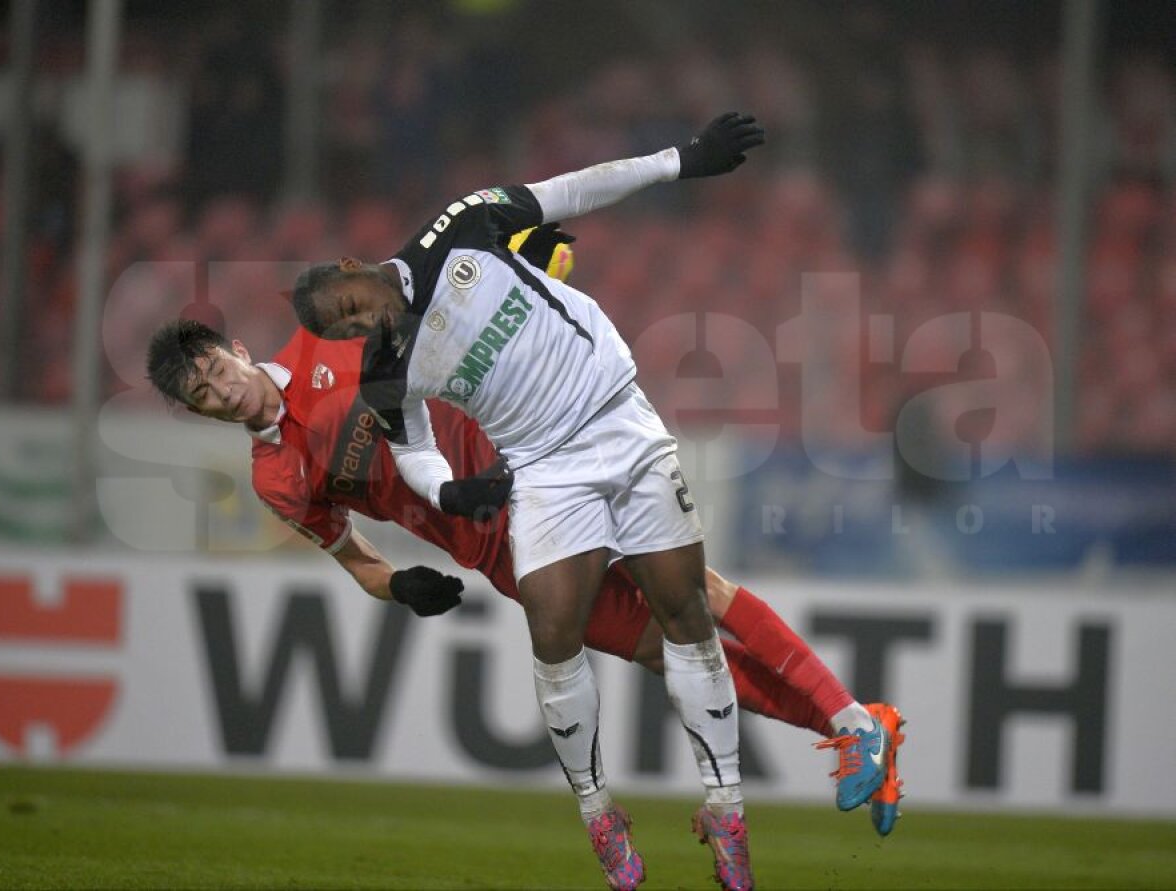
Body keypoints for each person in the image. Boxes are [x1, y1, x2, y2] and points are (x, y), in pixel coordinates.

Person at [284, 114, 889, 891]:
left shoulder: (458, 229)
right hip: (544, 469)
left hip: (619, 423)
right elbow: (415, 449)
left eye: (353, 304)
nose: (362, 322)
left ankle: (728, 811)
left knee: (687, 613)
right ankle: (599, 812)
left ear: (352, 269)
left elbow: (573, 187)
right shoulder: (387, 373)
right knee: (553, 632)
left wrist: (683, 161)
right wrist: (451, 489)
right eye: (345, 327)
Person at [145, 315, 906, 853]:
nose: (224, 390)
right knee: (665, 650)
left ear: (237, 348)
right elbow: (359, 562)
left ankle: (849, 722)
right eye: (206, 394)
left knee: (695, 594)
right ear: (196, 413)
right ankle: (863, 723)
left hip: (536, 466)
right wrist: (403, 584)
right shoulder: (274, 479)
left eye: (218, 368)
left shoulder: (328, 339)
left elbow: (439, 329)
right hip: (495, 551)